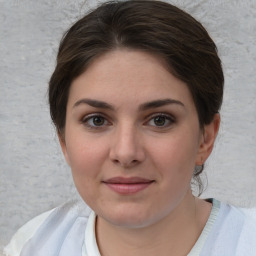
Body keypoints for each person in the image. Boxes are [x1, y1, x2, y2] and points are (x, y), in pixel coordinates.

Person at [3, 1, 256, 255]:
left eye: (160, 120)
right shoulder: (33, 246)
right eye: (97, 120)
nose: (125, 153)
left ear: (206, 138)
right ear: (64, 140)